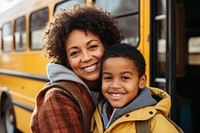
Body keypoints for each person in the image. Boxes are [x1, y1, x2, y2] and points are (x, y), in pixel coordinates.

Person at [30, 4, 123, 133]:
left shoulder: (113, 87)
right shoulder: (57, 100)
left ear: (106, 45)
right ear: (66, 60)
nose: (86, 58)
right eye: (75, 53)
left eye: (92, 47)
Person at [90, 43, 182, 133]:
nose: (115, 85)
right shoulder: (98, 116)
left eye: (125, 78)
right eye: (108, 78)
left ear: (142, 81)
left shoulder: (155, 124)